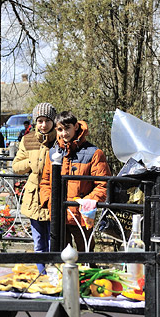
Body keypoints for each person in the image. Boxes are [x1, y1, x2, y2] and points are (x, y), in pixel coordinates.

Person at [39, 111, 111, 252]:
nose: (64, 133)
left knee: (86, 255)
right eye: (60, 129)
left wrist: (86, 202)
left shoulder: (94, 153)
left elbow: (103, 185)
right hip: (58, 214)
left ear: (76, 127)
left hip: (82, 215)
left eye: (67, 128)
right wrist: (49, 202)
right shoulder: (53, 153)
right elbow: (46, 181)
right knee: (59, 256)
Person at [12, 103, 57, 271]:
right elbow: (16, 166)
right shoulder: (28, 139)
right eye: (40, 121)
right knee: (39, 242)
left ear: (53, 122)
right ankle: (41, 275)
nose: (43, 125)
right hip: (34, 197)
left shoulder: (60, 140)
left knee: (55, 241)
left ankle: (55, 276)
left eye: (47, 121)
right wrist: (31, 162)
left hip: (53, 195)